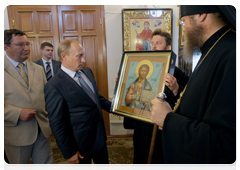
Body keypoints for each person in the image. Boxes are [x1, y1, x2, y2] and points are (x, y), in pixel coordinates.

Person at [150, 5, 237, 170]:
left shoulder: (233, 54)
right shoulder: (214, 48)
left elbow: (227, 144)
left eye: (183, 23)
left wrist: (169, 120)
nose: (184, 30)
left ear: (202, 14)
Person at [123, 28, 188, 170]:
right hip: (142, 124)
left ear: (168, 47)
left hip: (162, 128)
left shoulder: (177, 72)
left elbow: (188, 98)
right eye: (152, 43)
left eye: (158, 43)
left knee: (160, 160)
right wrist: (123, 85)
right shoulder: (139, 69)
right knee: (141, 157)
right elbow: (132, 93)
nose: (153, 46)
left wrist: (176, 88)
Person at [44, 39, 111, 170]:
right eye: (79, 56)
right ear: (64, 56)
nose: (83, 60)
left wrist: (116, 108)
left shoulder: (87, 71)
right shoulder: (54, 86)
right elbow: (57, 123)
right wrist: (69, 151)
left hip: (99, 137)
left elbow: (94, 98)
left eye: (83, 55)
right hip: (79, 145)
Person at [4, 29, 53, 170]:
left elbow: (46, 98)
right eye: (20, 45)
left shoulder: (37, 69)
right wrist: (17, 113)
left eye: (27, 44)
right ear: (5, 47)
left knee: (46, 167)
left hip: (42, 130)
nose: (26, 48)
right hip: (16, 134)